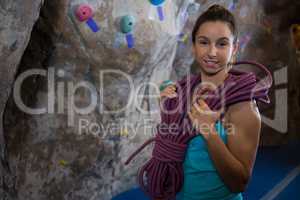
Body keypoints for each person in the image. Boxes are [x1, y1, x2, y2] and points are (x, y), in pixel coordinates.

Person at [160, 4, 261, 200]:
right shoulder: (182, 93)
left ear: (234, 48)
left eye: (222, 44)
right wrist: (167, 110)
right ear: (194, 46)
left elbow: (239, 182)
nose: (212, 52)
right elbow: (171, 152)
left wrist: (210, 133)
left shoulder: (243, 106)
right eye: (204, 42)